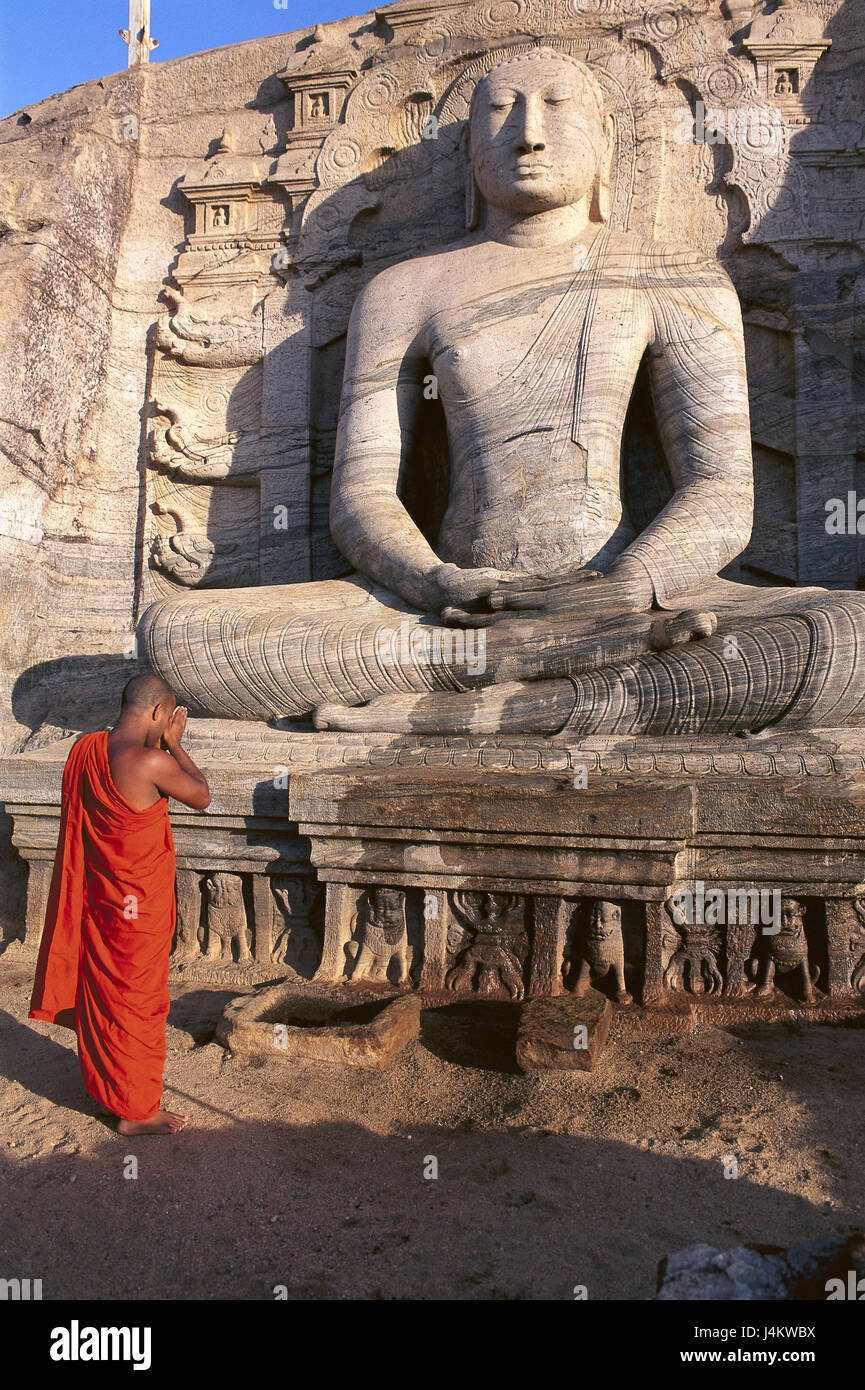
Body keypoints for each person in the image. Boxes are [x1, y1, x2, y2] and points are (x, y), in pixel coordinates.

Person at [29, 673, 211, 1135]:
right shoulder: (152, 760)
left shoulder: (85, 749)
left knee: (108, 992)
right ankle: (137, 1110)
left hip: (103, 898)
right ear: (158, 713)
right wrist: (175, 744)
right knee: (136, 999)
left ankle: (112, 1090)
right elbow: (202, 795)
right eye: (167, 718)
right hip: (138, 910)